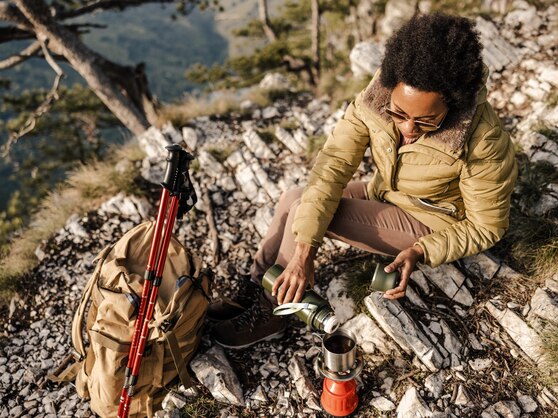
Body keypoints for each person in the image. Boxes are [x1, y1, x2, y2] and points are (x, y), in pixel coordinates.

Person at [210, 13, 518, 349]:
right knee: (295, 196)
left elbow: (486, 225)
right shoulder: (378, 94)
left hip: (433, 222)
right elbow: (334, 164)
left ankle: (275, 310)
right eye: (399, 113)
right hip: (386, 193)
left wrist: (421, 250)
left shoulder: (483, 139)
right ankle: (257, 286)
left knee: (305, 211)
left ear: (454, 104)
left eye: (426, 122)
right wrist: (303, 251)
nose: (408, 130)